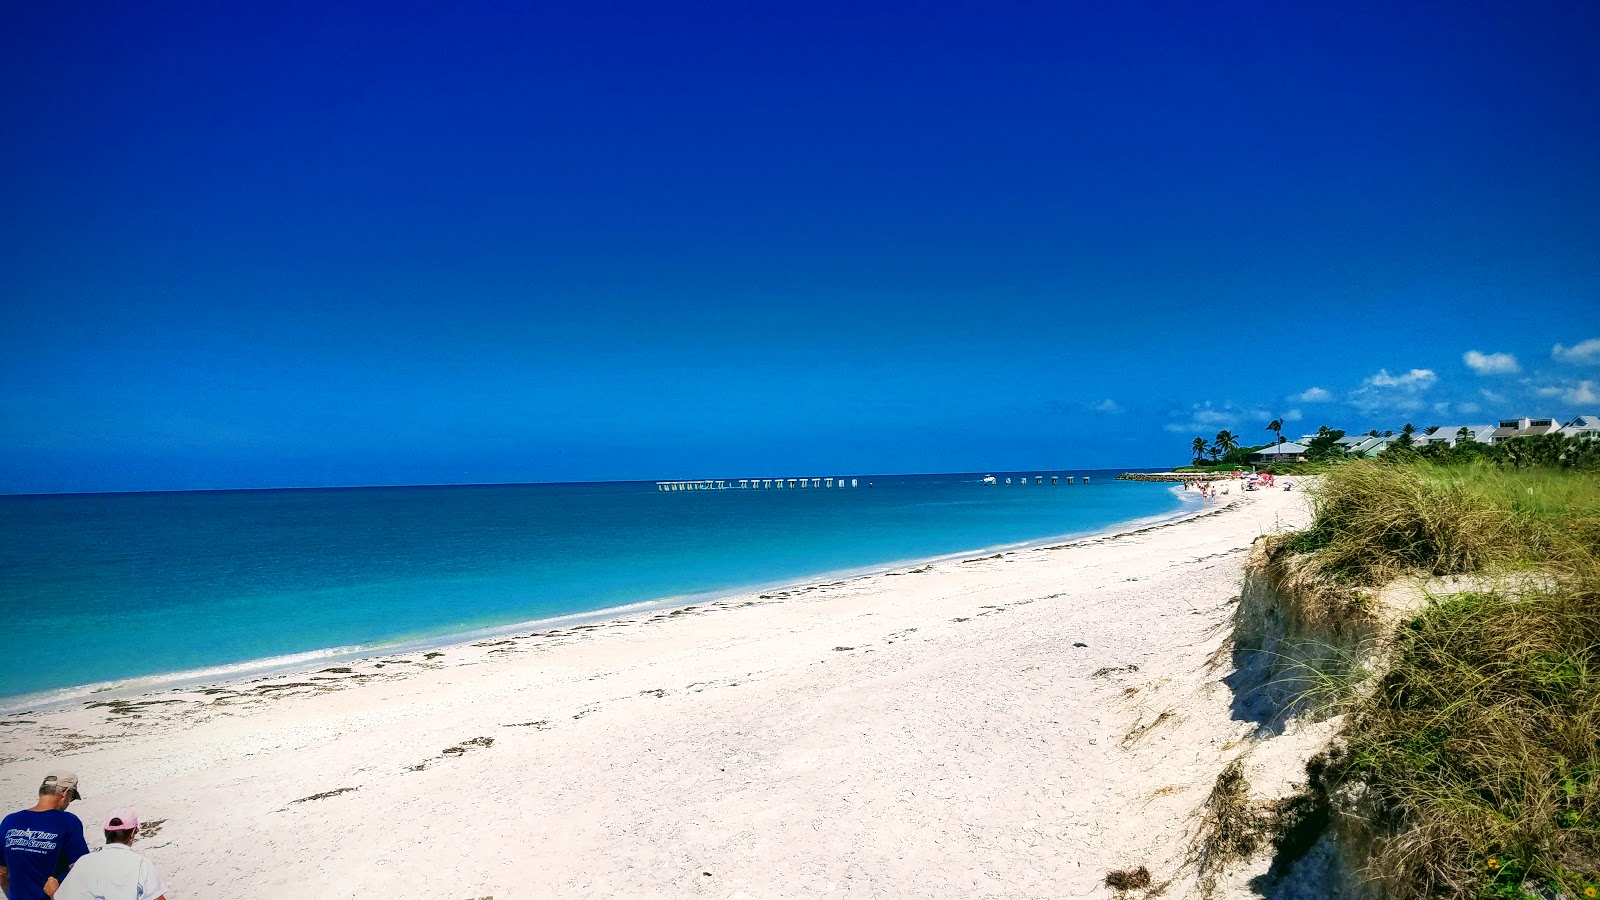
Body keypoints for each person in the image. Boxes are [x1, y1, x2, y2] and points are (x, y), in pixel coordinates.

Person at [1, 770, 89, 900]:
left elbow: (2, 873)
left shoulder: (10, 821)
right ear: (65, 793)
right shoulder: (68, 822)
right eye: (72, 797)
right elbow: (82, 869)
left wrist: (12, 896)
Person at [54, 809, 167, 900]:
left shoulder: (84, 862)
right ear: (132, 833)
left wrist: (53, 892)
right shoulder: (141, 864)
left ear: (105, 832)